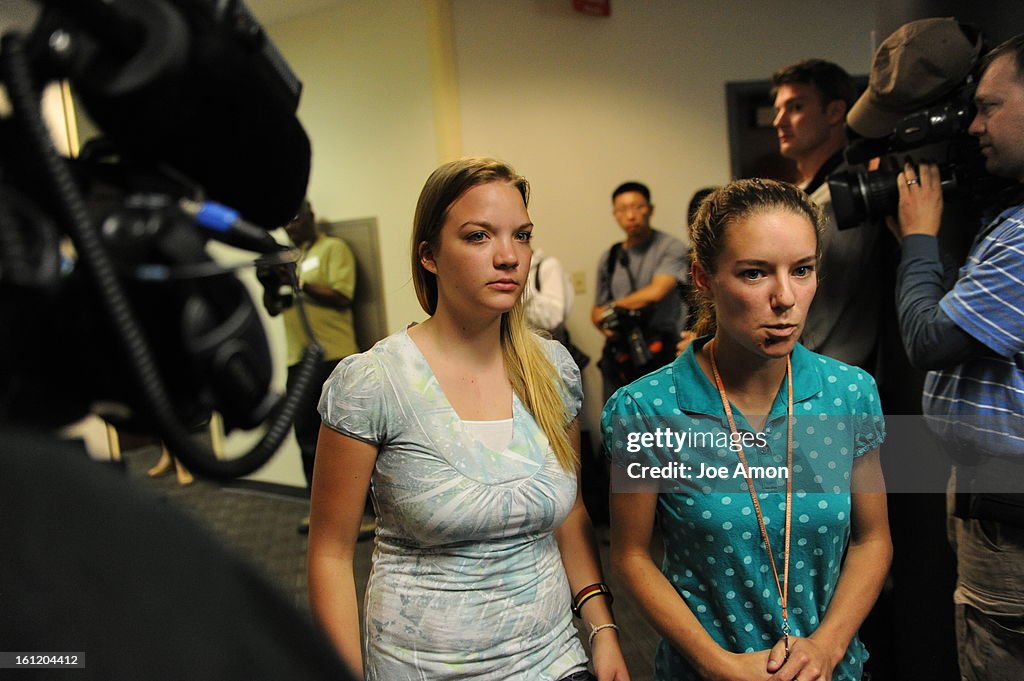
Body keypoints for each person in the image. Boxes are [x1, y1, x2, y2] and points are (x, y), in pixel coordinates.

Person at [307, 157, 630, 681]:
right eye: (479, 237)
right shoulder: (373, 382)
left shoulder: (552, 371)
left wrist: (604, 630)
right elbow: (329, 553)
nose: (509, 257)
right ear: (430, 256)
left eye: (521, 236)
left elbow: (570, 513)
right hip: (424, 667)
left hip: (554, 661)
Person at [605, 179, 891, 681]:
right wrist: (719, 665)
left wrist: (826, 648)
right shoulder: (649, 410)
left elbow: (873, 541)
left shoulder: (848, 395)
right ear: (703, 277)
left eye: (802, 270)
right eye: (755, 273)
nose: (785, 298)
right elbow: (631, 555)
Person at [888, 34, 1024, 681]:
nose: (973, 125)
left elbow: (929, 340)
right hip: (986, 495)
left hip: (1011, 509)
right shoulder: (1010, 214)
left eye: (989, 106)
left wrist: (918, 240)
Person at [771, 59, 881, 370]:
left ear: (834, 112)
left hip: (825, 373)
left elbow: (825, 303)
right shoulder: (807, 190)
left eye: (795, 107)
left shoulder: (844, 196)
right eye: (778, 109)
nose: (779, 121)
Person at [261, 199, 360, 534]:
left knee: (351, 437)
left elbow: (342, 296)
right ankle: (321, 515)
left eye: (295, 218)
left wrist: (298, 280)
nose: (290, 226)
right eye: (285, 222)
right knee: (306, 435)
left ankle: (365, 514)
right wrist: (271, 284)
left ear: (311, 217)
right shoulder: (286, 256)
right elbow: (275, 308)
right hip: (298, 360)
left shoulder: (334, 249)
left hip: (333, 355)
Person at [592, 181, 689, 401]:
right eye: (623, 209)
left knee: (665, 423)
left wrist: (613, 308)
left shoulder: (670, 247)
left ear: (650, 209)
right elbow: (596, 311)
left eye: (637, 207)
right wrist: (606, 324)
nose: (631, 215)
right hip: (622, 355)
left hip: (664, 352)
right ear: (615, 214)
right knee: (619, 420)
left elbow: (656, 291)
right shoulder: (610, 257)